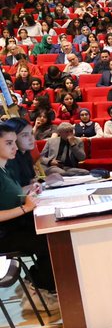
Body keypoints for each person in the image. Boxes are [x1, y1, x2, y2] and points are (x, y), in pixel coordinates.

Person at [0, 122, 55, 291]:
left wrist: (31, 193)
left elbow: (12, 197)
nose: (14, 147)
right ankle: (41, 287)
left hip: (16, 225)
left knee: (54, 231)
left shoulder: (5, 170)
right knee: (49, 242)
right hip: (4, 235)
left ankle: (42, 282)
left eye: (14, 142)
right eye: (9, 143)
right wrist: (25, 207)